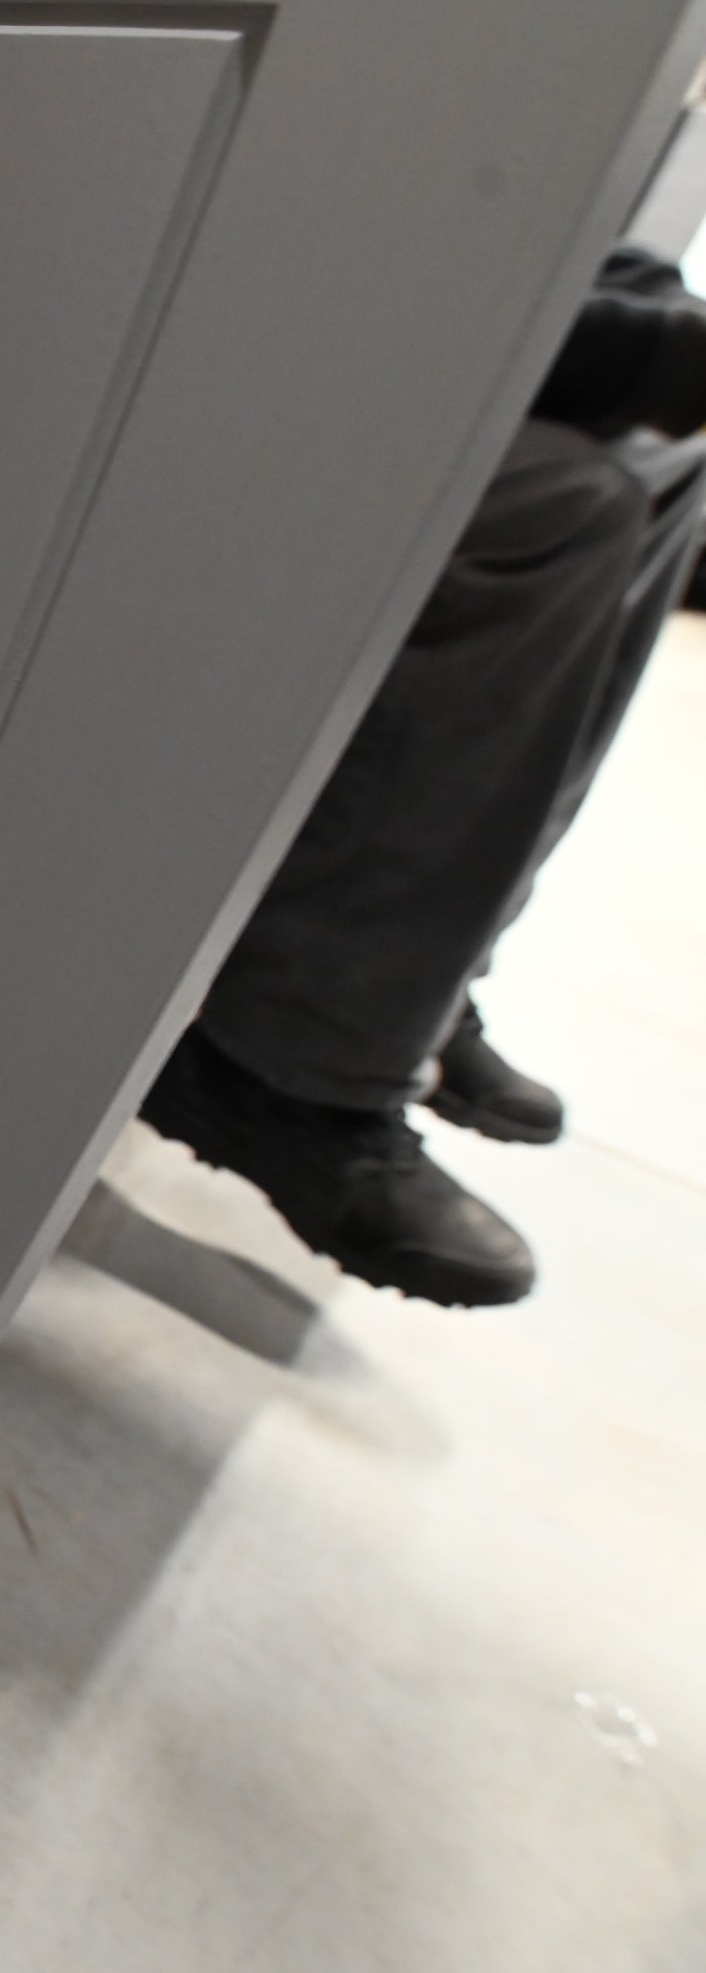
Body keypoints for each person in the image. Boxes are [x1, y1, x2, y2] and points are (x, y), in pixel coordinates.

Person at [141, 246, 706, 1307]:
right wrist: (660, 347)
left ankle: (420, 984)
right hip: (266, 342)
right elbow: (405, 275)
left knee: (662, 462)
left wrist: (657, 325)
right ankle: (285, 1055)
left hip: (431, 301)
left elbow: (572, 241)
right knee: (567, 504)